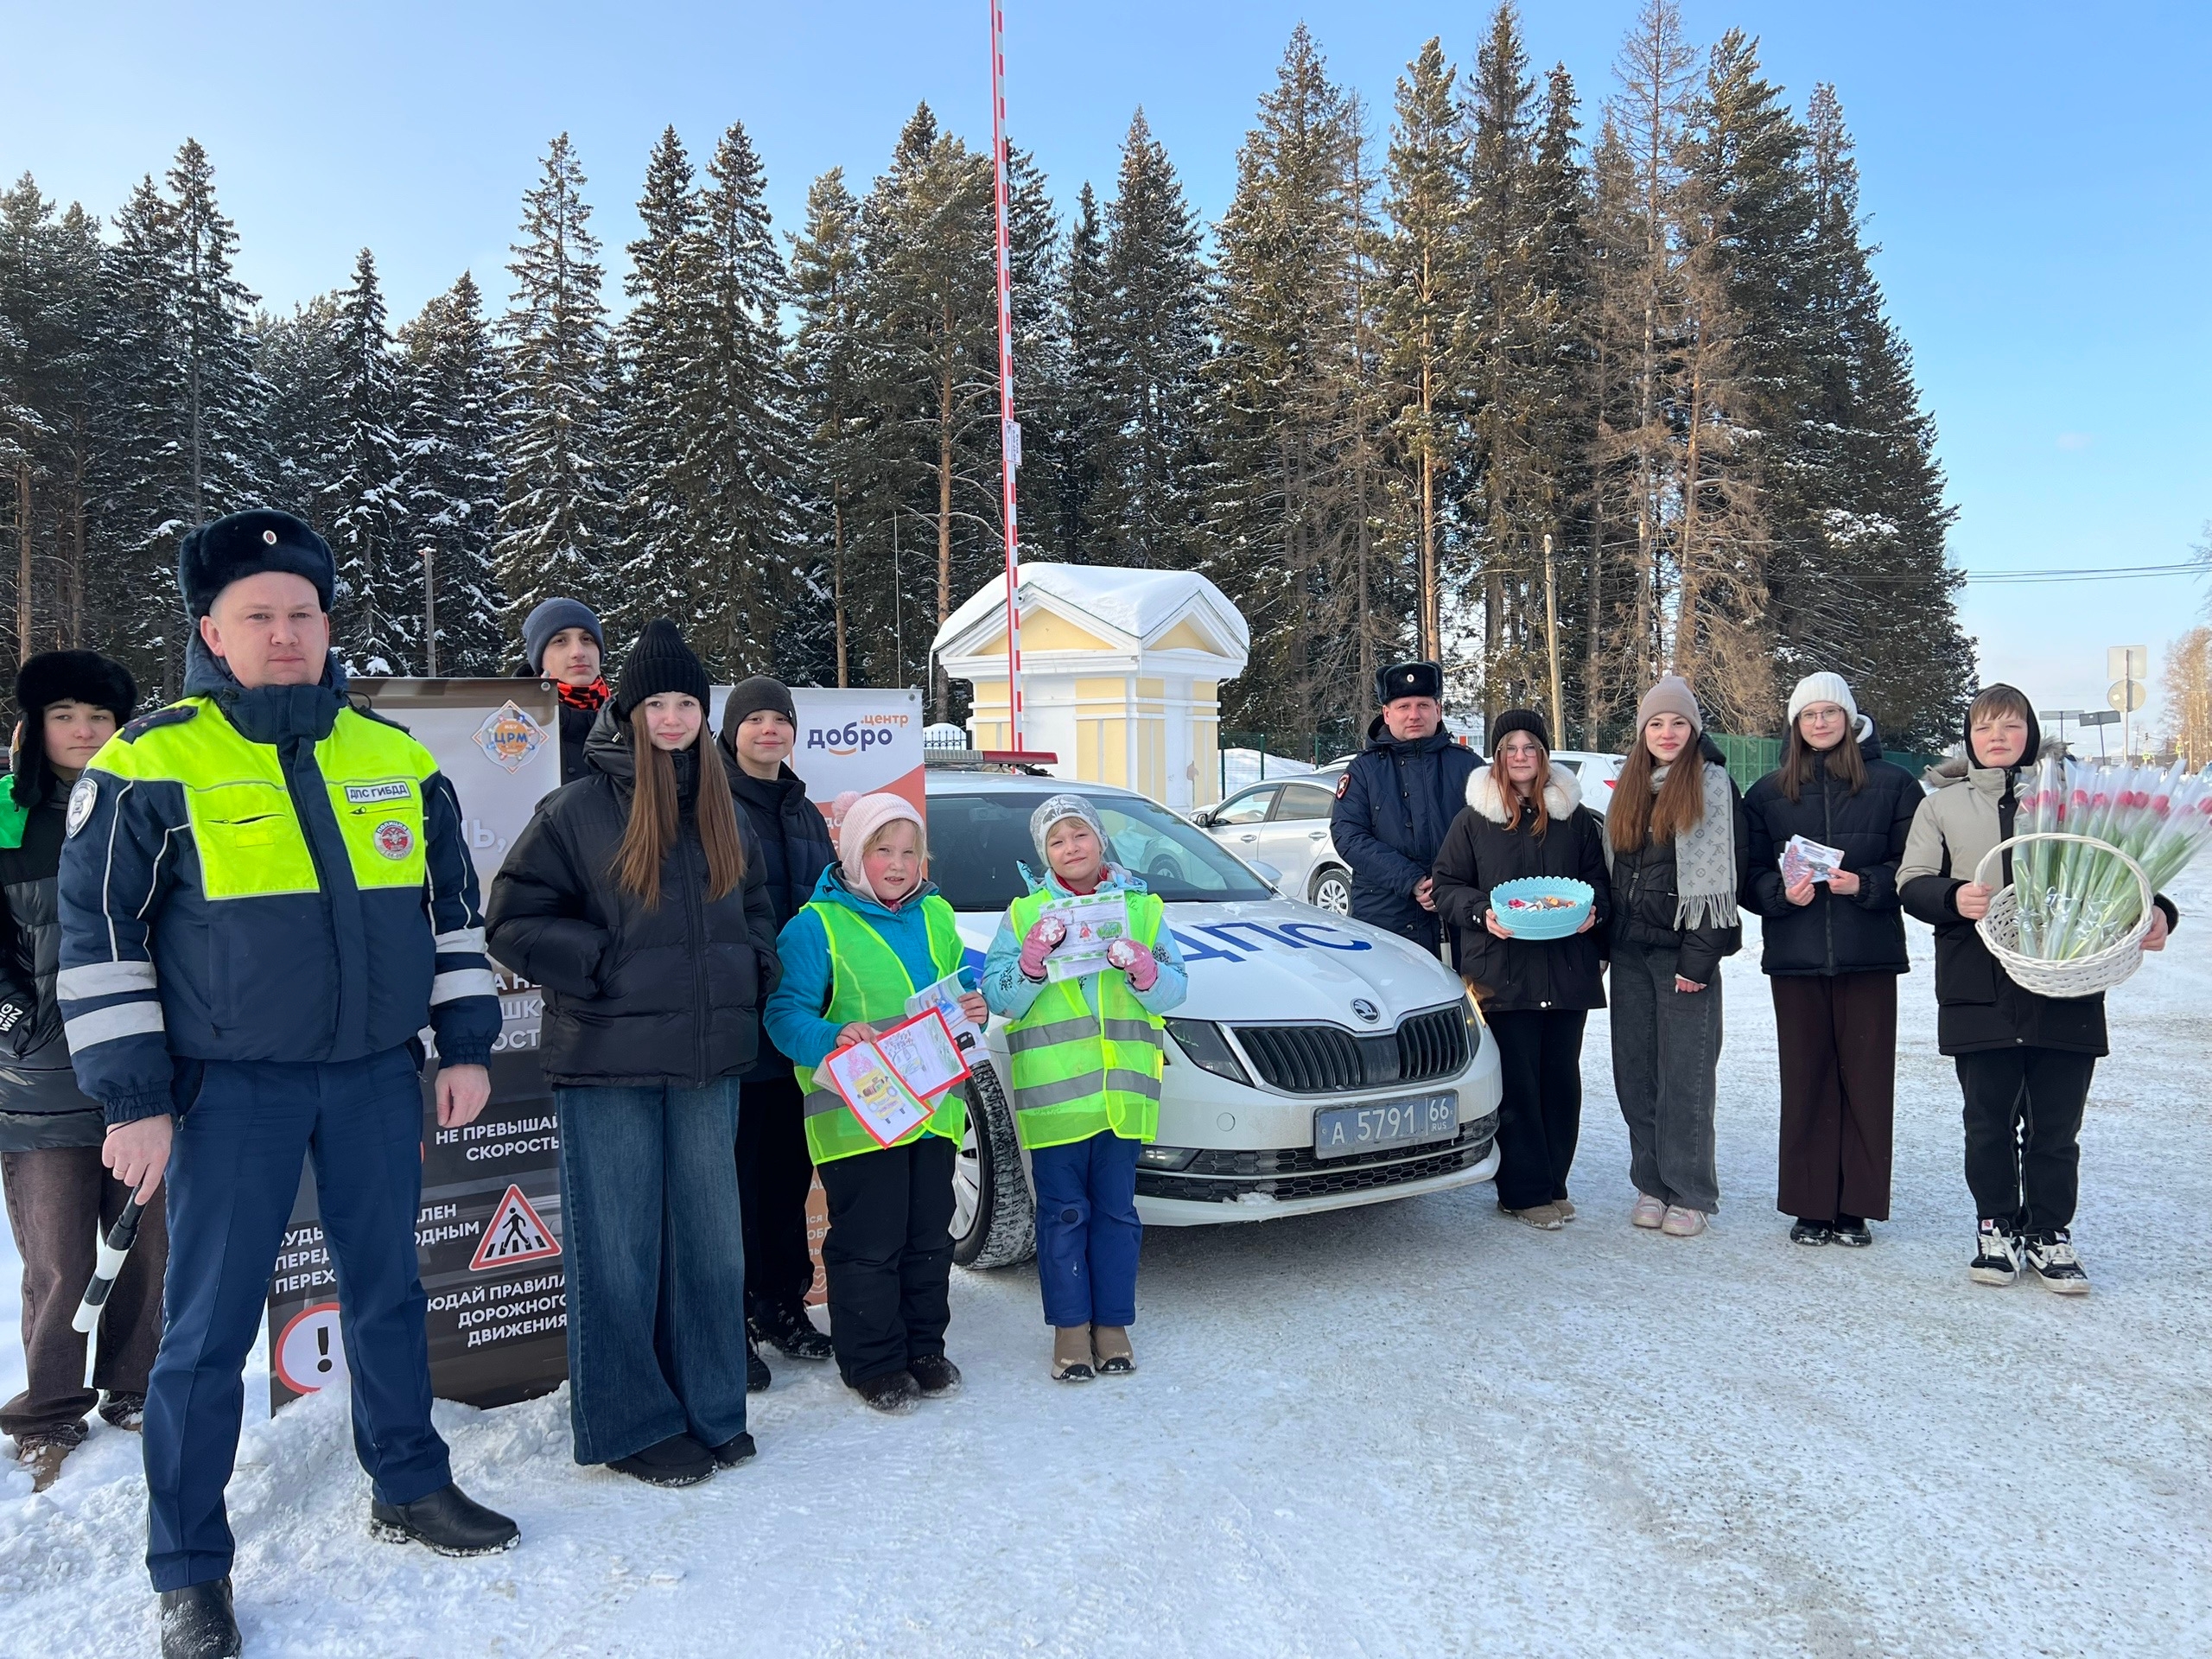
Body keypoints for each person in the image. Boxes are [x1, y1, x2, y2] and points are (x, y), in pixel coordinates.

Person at [58, 509, 516, 1659]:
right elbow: (100, 942)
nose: (283, 634)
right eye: (256, 616)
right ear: (210, 632)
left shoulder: (393, 757)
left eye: (301, 614)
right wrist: (133, 1100)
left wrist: (465, 1044)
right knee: (207, 1331)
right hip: (228, 1092)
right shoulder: (149, 763)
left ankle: (408, 1483)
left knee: (389, 1296)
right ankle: (188, 1566)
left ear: (326, 625)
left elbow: (452, 915)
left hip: (373, 1079)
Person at [487, 619, 777, 1488]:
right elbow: (511, 920)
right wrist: (600, 964)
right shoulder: (577, 809)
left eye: (688, 702)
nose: (674, 718)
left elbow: (756, 912)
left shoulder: (725, 809)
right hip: (606, 1062)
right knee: (618, 1251)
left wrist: (752, 968)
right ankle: (629, 1422)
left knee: (711, 1249)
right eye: (658, 703)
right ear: (631, 711)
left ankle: (710, 1408)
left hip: (707, 1063)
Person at [1897, 685, 2176, 1294]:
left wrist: (2159, 911)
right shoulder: (1941, 805)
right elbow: (1911, 880)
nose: (1997, 737)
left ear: (2031, 733)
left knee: (2055, 1127)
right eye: (1984, 727)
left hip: (2066, 984)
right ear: (1968, 737)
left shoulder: (2071, 798)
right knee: (1987, 1123)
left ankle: (2049, 1233)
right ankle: (1995, 1227)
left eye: (2010, 725)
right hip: (1978, 983)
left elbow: (2121, 868)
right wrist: (1952, 897)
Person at [1, 651, 168, 1492]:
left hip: (141, 1067)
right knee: (60, 1255)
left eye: (99, 716)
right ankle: (48, 1409)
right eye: (65, 715)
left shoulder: (146, 808)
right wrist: (10, 1015)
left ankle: (134, 1387)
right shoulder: (7, 815)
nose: (84, 730)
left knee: (145, 1242)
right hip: (39, 1076)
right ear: (34, 727)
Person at [762, 793, 988, 1414]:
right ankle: (874, 1362)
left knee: (929, 1240)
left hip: (934, 1112)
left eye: (910, 852)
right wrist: (832, 1035)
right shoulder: (815, 926)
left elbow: (957, 989)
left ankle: (923, 1349)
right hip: (859, 1119)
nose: (898, 864)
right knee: (870, 1243)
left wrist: (973, 1006)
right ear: (853, 854)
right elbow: (782, 1016)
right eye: (882, 850)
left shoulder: (936, 913)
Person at [982, 795, 1188, 1382]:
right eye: (1057, 840)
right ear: (1043, 853)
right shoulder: (1024, 915)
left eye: (1080, 835)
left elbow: (1176, 990)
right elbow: (998, 997)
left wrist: (1147, 972)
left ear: (1100, 840)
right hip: (1056, 1102)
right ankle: (1071, 1330)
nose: (1070, 848)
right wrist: (1028, 965)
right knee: (1063, 1215)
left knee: (1117, 1214)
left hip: (1122, 1099)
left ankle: (1113, 1325)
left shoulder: (1141, 910)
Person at [1743, 674, 1921, 1248]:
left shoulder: (1894, 784)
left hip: (1868, 956)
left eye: (1830, 712)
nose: (1820, 723)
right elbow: (1748, 875)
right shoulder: (1767, 793)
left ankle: (1856, 1209)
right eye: (1809, 715)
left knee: (1866, 1083)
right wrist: (1779, 894)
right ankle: (1810, 1206)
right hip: (1795, 958)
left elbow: (1916, 864)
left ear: (1850, 718)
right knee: (1807, 1081)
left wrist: (1865, 884)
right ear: (1796, 725)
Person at [1429, 710, 1609, 1232]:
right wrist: (1480, 912)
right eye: (1510, 747)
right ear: (1497, 757)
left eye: (1531, 746)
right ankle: (1523, 1192)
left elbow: (1598, 883)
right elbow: (1446, 886)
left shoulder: (1577, 820)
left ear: (1545, 755)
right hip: (1501, 973)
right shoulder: (1473, 821)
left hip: (1566, 971)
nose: (1521, 756)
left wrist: (1595, 911)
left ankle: (1555, 1184)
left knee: (1561, 1082)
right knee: (1519, 1085)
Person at [719, 677, 837, 1386]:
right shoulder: (712, 801)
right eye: (755, 719)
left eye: (780, 719)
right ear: (732, 731)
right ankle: (728, 1317)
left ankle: (782, 1305)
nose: (769, 730)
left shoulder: (804, 810)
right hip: (737, 1021)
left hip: (797, 1022)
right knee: (733, 1179)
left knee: (789, 1174)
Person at [1606, 676, 1749, 1239]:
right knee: (1635, 1074)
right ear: (1643, 731)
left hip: (1683, 957)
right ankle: (1651, 1183)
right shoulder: (1630, 785)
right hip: (1630, 952)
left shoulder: (1713, 786)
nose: (1667, 733)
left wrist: (1699, 960)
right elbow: (1615, 872)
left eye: (1678, 723)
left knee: (1685, 1078)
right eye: (1657, 723)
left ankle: (1690, 1192)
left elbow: (1723, 882)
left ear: (1694, 729)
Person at [1330, 661, 1480, 959]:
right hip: (1386, 919)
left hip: (1459, 917)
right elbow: (1348, 835)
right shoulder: (1363, 771)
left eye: (1423, 705)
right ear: (1387, 714)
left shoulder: (1469, 767)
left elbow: (1491, 835)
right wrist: (1411, 880)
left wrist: (1449, 884)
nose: (1414, 715)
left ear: (1438, 710)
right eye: (1403, 706)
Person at [518, 597, 607, 785]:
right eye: (560, 641)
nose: (578, 652)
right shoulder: (517, 731)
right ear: (539, 659)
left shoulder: (629, 722)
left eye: (587, 639)